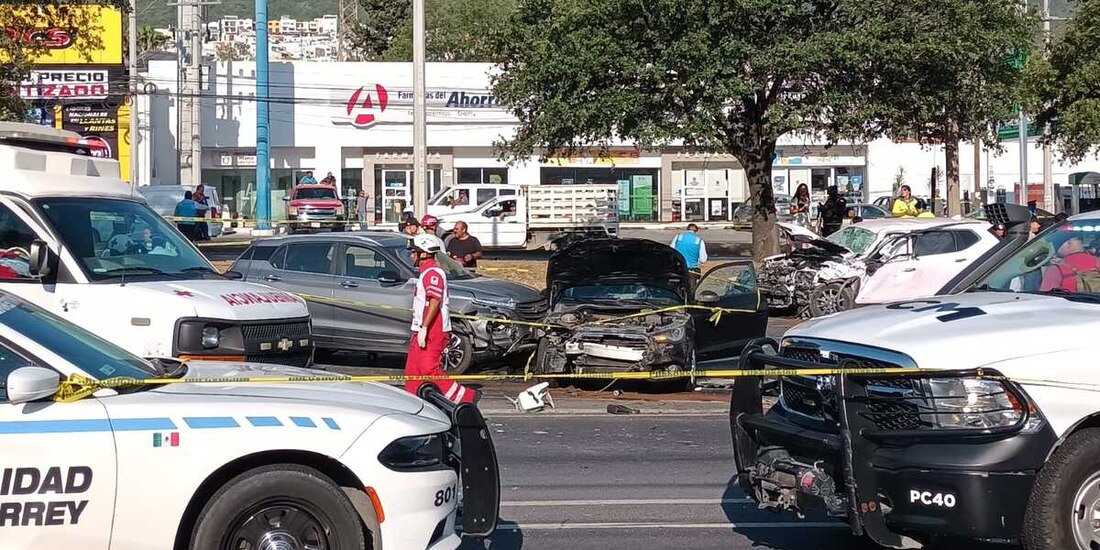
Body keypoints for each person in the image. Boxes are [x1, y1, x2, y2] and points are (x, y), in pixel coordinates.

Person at [404, 234, 477, 405]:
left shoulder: (433, 273)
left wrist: (424, 327)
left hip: (433, 329)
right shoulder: (426, 273)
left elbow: (434, 301)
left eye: (414, 252)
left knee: (428, 370)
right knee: (413, 371)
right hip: (422, 328)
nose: (411, 255)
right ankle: (413, 402)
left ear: (424, 253)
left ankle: (466, 398)